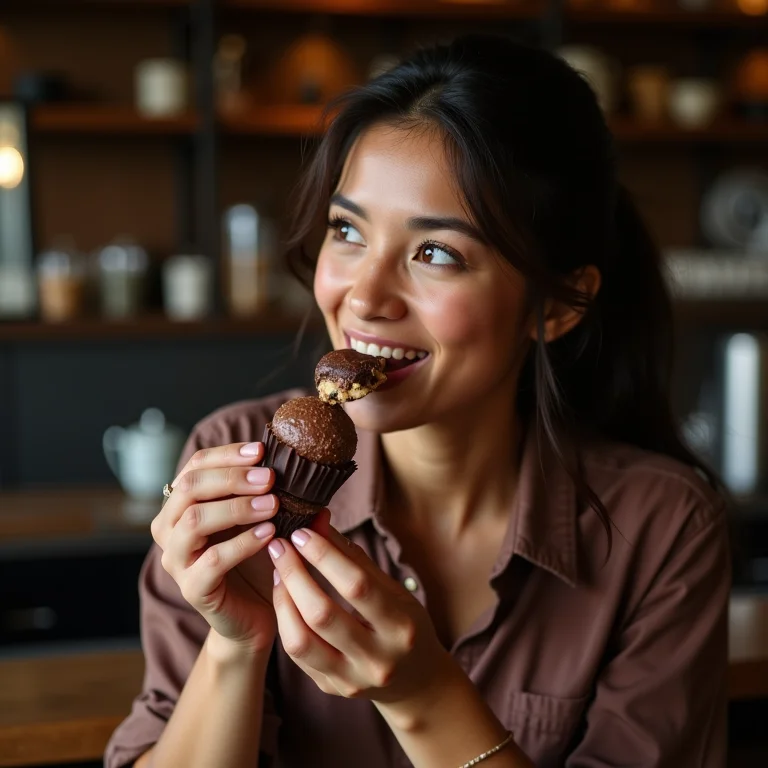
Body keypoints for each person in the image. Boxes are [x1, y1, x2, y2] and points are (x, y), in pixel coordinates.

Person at [106, 33, 731, 768]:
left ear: (560, 305)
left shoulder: (660, 531)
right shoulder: (243, 460)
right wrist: (236, 646)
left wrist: (426, 697)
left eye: (436, 252)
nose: (363, 297)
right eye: (347, 231)